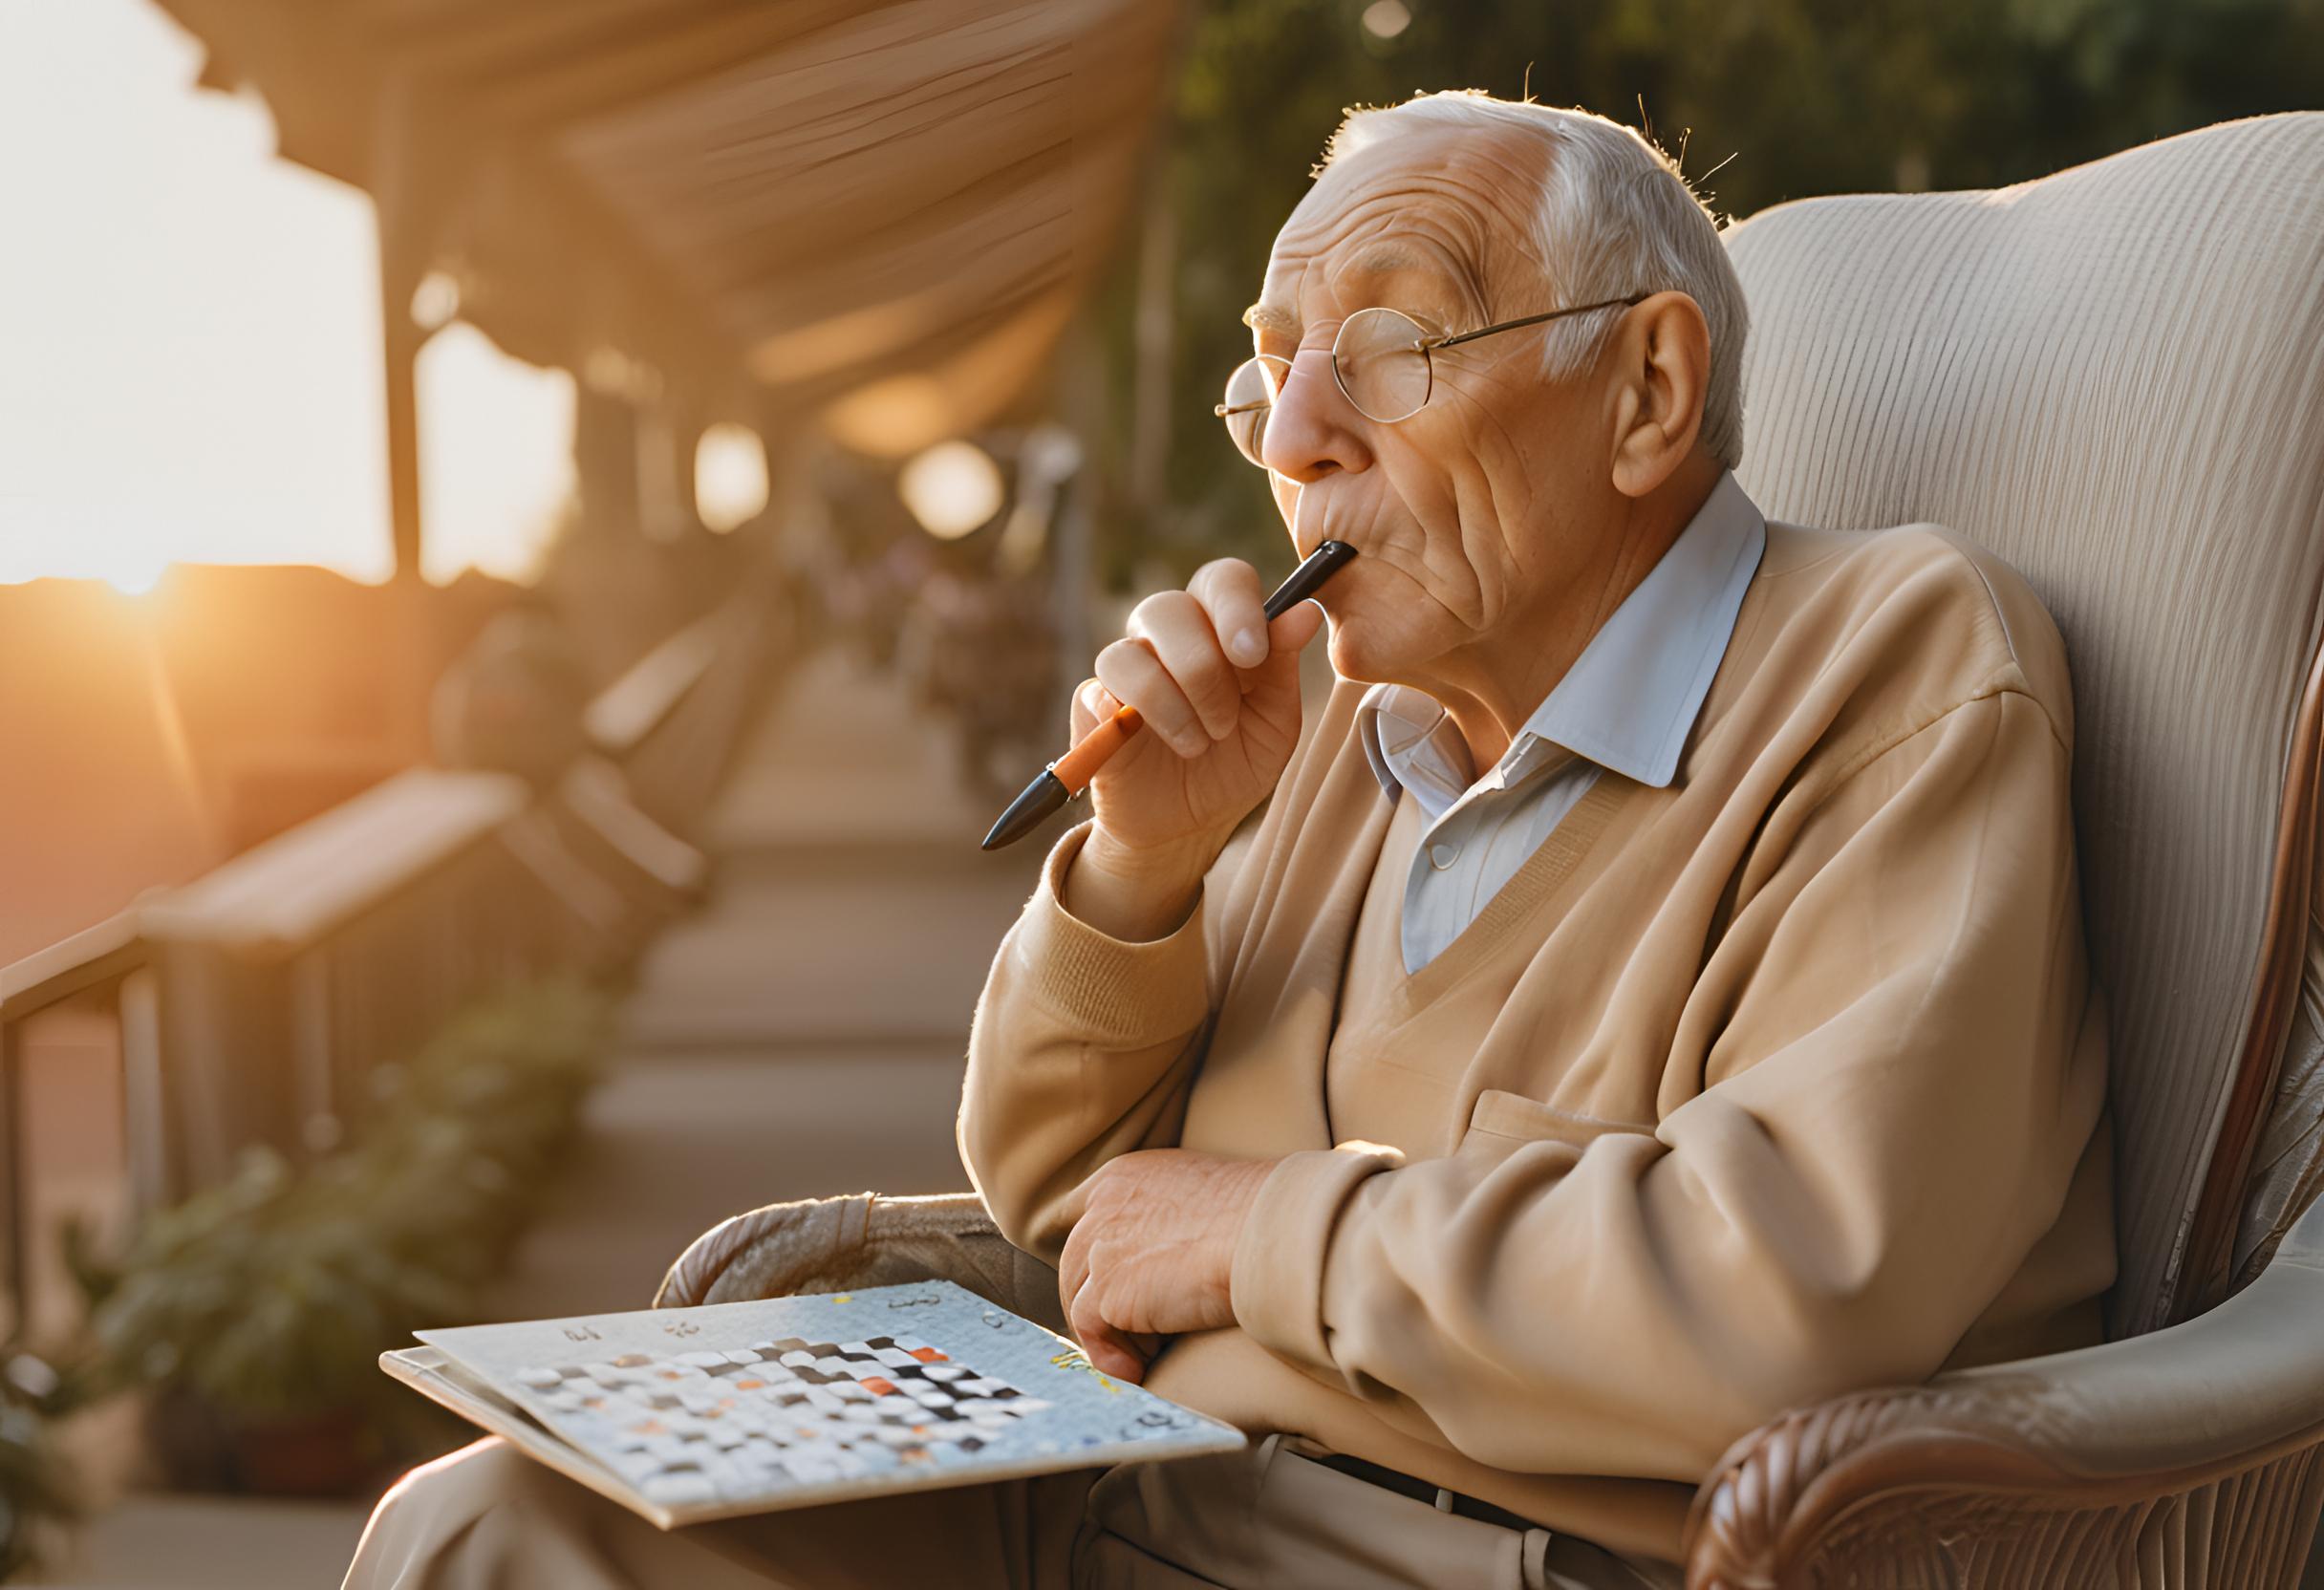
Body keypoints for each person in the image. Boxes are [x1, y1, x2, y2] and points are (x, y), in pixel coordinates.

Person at [345, 90, 2112, 1590]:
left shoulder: (1894, 665)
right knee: (493, 1525)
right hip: (1138, 1501)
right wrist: (1144, 871)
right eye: (1271, 375)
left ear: (1647, 394)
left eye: (1395, 351)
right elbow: (1062, 1197)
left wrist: (1266, 1234)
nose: (1298, 438)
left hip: (1490, 1553)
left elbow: (1797, 1287)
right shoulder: (1356, 713)